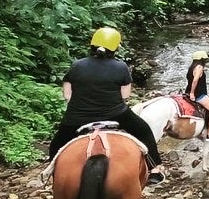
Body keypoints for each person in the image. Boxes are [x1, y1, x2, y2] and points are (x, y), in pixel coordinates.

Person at [49, 27, 165, 184]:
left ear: (92, 45)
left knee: (57, 143)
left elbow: (67, 95)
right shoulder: (121, 67)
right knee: (144, 131)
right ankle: (155, 168)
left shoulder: (77, 65)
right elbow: (125, 96)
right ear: (115, 48)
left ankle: (52, 172)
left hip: (77, 117)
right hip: (116, 114)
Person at [186, 51, 209, 141]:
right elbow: (195, 80)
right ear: (202, 60)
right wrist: (192, 93)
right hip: (198, 94)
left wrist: (190, 92)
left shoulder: (191, 67)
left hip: (187, 91)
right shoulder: (199, 67)